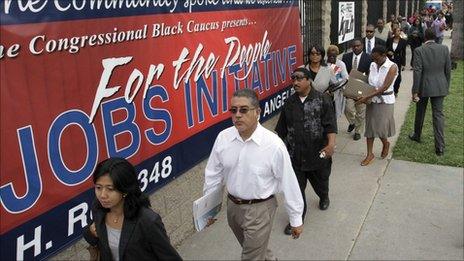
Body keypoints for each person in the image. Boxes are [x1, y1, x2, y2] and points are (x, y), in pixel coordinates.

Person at [203, 88, 304, 260]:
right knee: (256, 250)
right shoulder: (223, 138)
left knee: (250, 256)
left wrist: (296, 218)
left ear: (257, 112)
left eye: (243, 110)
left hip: (260, 210)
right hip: (233, 208)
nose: (237, 115)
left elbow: (289, 181)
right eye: (233, 110)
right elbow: (213, 174)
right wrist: (209, 210)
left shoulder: (273, 145)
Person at [275, 67, 337, 235]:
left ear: (309, 80)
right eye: (293, 78)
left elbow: (330, 125)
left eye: (299, 78)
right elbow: (281, 131)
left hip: (319, 154)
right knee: (296, 189)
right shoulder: (289, 103)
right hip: (295, 156)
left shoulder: (322, 100)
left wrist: (331, 145)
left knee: (321, 182)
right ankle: (297, 218)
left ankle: (324, 196)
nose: (295, 82)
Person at [83, 157, 182, 261]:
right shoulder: (99, 208)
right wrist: (91, 232)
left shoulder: (147, 221)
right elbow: (92, 237)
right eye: (98, 187)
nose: (102, 195)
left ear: (125, 190)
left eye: (110, 189)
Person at [409, 29, 451, 156]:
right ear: (434, 37)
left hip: (424, 87)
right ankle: (440, 147)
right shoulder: (444, 49)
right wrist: (446, 86)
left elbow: (417, 72)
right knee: (438, 116)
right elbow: (448, 70)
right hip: (440, 86)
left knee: (420, 112)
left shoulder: (419, 50)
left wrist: (415, 91)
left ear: (425, 37)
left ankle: (417, 135)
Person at [356, 46, 397, 166]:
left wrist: (366, 97)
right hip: (372, 100)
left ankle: (385, 143)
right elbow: (370, 82)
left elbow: (384, 87)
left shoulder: (392, 67)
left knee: (381, 128)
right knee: (370, 128)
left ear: (384, 55)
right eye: (373, 59)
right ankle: (370, 154)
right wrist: (360, 93)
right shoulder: (373, 65)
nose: (375, 61)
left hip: (385, 101)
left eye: (377, 59)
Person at [342, 38, 372, 140]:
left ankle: (358, 132)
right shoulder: (346, 57)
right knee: (348, 109)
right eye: (354, 46)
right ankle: (353, 122)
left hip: (362, 89)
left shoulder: (368, 58)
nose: (356, 48)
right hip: (350, 88)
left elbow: (370, 74)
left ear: (362, 46)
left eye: (358, 46)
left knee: (361, 111)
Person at [326, 44, 349, 119]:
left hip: (336, 92)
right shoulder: (324, 64)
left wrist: (333, 89)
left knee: (335, 113)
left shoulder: (340, 64)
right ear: (327, 55)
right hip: (325, 91)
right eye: (330, 55)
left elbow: (344, 79)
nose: (332, 57)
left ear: (337, 55)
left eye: (334, 56)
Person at [386, 27, 407, 96]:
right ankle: (389, 89)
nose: (398, 32)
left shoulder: (403, 41)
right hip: (390, 60)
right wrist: (388, 52)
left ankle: (396, 90)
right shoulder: (390, 40)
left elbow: (404, 53)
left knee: (398, 76)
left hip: (398, 60)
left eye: (399, 31)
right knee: (389, 74)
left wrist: (403, 63)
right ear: (394, 32)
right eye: (397, 31)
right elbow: (385, 48)